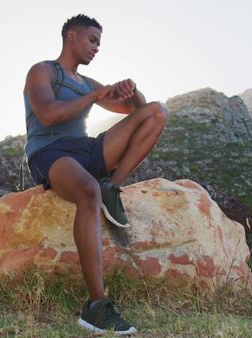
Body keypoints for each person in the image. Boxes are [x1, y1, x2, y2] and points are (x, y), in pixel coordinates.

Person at [23, 14, 168, 335]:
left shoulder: (88, 83)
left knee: (158, 111)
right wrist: (93, 96)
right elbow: (47, 115)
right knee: (87, 191)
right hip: (50, 152)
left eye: (99, 43)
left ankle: (112, 187)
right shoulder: (44, 71)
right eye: (92, 40)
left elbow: (136, 113)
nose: (97, 48)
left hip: (86, 149)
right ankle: (97, 306)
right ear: (71, 37)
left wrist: (132, 91)